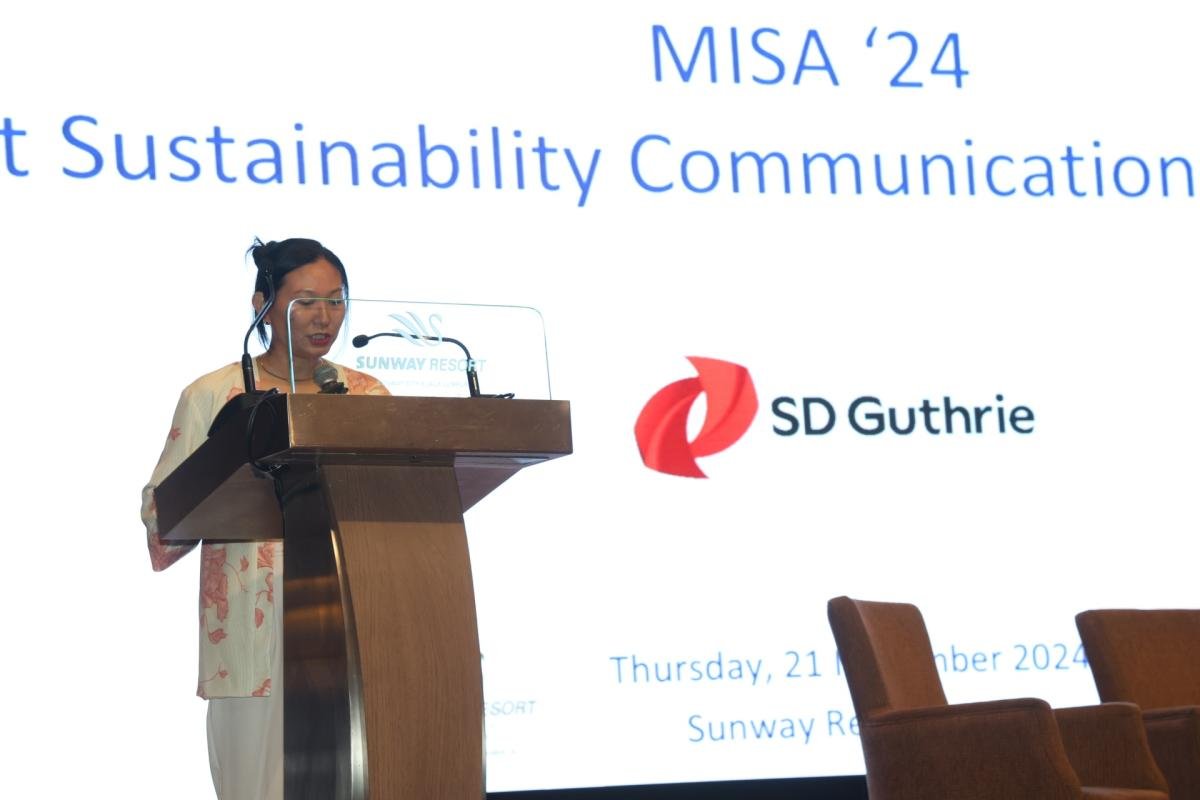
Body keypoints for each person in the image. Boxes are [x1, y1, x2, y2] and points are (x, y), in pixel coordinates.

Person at [140, 238, 387, 800]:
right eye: (306, 302)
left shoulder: (365, 395)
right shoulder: (216, 395)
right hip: (251, 639)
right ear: (263, 306)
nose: (325, 317)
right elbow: (160, 514)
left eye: (336, 300)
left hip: (352, 629)